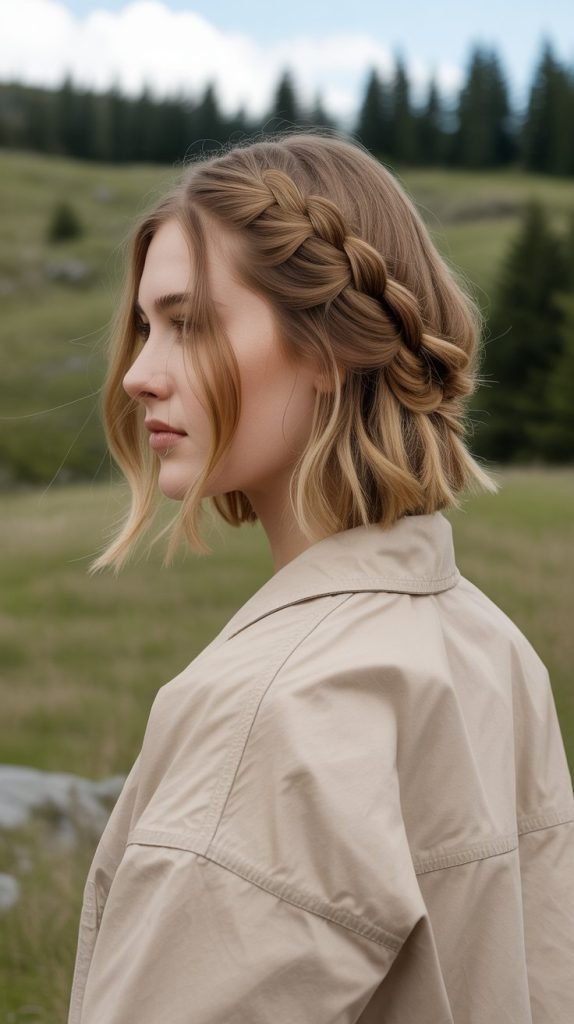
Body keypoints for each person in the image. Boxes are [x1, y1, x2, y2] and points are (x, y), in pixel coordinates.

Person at [67, 131, 574, 1024]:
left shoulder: (272, 712)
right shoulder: (491, 647)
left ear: (333, 344)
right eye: (146, 326)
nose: (139, 374)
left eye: (188, 323)